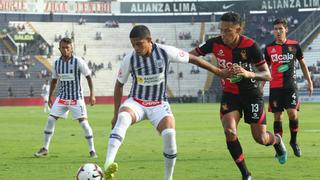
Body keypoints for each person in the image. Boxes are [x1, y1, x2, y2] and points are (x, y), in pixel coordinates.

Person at [103, 25, 229, 180]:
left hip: (158, 103)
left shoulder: (165, 51)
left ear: (149, 40)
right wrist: (115, 114)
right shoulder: (129, 59)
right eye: (133, 44)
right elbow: (119, 85)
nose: (136, 48)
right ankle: (108, 165)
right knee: (122, 119)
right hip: (136, 101)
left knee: (169, 133)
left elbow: (193, 59)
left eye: (139, 44)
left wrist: (218, 72)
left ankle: (168, 178)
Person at [189, 12, 287, 180]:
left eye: (227, 30)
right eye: (221, 30)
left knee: (261, 138)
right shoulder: (214, 43)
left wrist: (247, 73)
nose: (223, 34)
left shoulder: (250, 46)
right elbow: (190, 56)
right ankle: (246, 174)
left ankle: (277, 140)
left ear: (238, 29)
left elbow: (267, 75)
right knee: (229, 131)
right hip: (230, 94)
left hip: (251, 95)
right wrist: (216, 70)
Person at [34, 38, 97, 158]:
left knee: (84, 123)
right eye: (63, 47)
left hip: (76, 98)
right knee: (50, 120)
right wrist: (50, 96)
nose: (66, 49)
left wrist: (92, 94)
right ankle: (45, 148)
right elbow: (54, 80)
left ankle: (92, 150)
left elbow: (88, 76)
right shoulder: (57, 63)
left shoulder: (78, 61)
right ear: (59, 49)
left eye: (68, 47)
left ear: (71, 48)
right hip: (62, 97)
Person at [264, 18, 313, 157]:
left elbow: (303, 64)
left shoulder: (294, 45)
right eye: (275, 29)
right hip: (275, 88)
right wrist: (260, 86)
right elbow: (265, 68)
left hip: (290, 86)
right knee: (278, 117)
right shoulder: (268, 48)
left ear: (286, 29)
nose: (278, 31)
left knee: (293, 114)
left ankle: (293, 141)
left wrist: (309, 81)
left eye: (280, 28)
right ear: (273, 31)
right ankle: (279, 146)